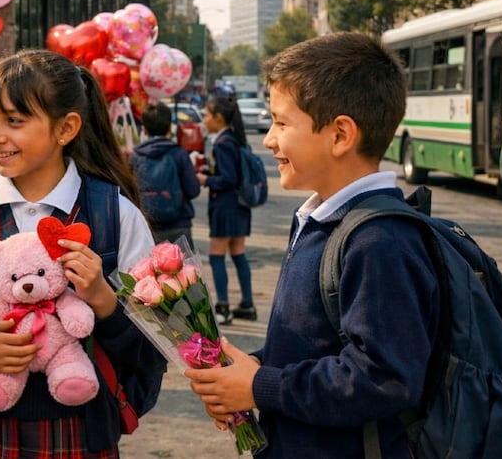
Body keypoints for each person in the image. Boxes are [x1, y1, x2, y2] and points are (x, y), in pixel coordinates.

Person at [0, 49, 166, 458]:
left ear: (66, 128)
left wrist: (102, 300)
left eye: (14, 121)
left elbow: (154, 345)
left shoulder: (113, 214)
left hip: (79, 432)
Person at [186, 33, 440, 459]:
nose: (268, 139)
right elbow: (316, 346)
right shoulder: (322, 219)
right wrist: (245, 374)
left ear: (340, 135)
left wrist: (260, 385)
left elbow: (385, 378)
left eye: (281, 123)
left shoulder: (378, 241)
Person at [197, 96, 255, 324]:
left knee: (217, 254)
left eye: (207, 115)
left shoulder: (223, 143)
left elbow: (228, 178)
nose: (205, 119)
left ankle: (223, 308)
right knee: (238, 252)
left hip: (225, 205)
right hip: (239, 205)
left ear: (219, 118)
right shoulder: (235, 139)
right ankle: (247, 304)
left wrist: (205, 179)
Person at [129, 102, 202, 245]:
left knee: (149, 266)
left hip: (147, 226)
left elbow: (129, 193)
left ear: (144, 129)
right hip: (179, 225)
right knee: (183, 266)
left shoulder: (135, 157)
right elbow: (193, 190)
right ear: (170, 128)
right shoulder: (179, 154)